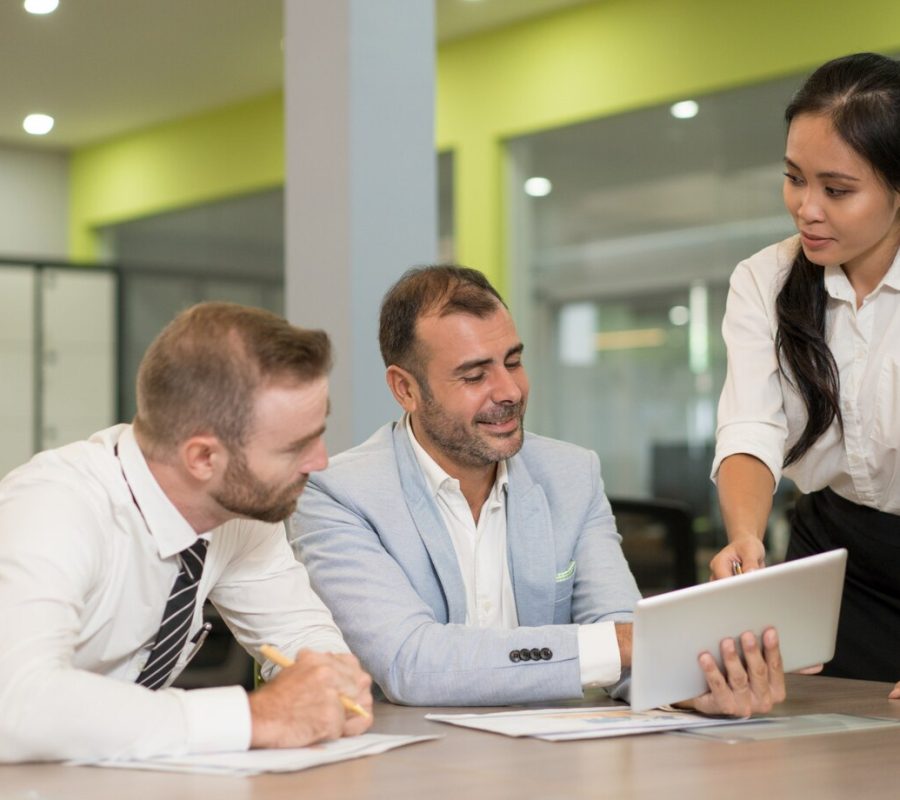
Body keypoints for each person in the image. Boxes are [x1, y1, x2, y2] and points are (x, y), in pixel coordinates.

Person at [292, 265, 784, 715]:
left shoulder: (572, 474)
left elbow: (622, 631)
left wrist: (689, 684)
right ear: (406, 390)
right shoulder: (339, 494)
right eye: (475, 374)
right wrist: (619, 647)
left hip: (552, 763)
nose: (509, 391)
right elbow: (410, 662)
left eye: (513, 361)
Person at [0, 302, 372, 764]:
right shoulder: (54, 505)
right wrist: (254, 718)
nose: (320, 462)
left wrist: (331, 684)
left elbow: (299, 635)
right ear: (201, 458)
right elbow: (16, 703)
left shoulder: (242, 510)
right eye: (296, 447)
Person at [708, 52, 900, 695]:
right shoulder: (764, 280)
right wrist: (744, 537)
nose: (806, 208)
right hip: (837, 557)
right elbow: (750, 424)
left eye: (837, 190)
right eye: (795, 178)